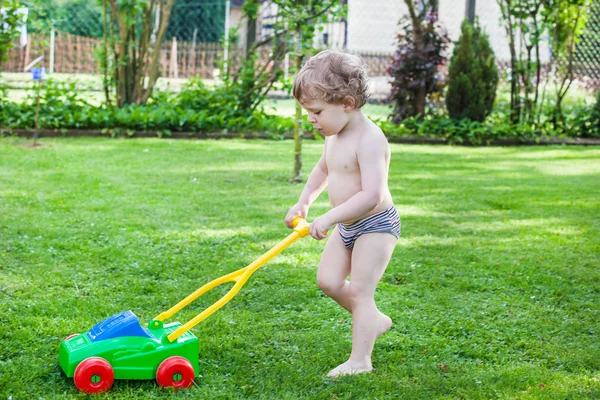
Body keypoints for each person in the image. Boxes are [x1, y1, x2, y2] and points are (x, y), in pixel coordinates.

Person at [284, 49, 400, 377]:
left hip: (375, 225)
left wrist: (331, 216)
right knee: (329, 281)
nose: (311, 119)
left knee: (362, 291)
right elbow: (323, 170)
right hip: (348, 224)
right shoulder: (333, 135)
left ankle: (360, 361)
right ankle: (373, 321)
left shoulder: (370, 139)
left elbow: (372, 195)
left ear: (347, 103)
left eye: (317, 111)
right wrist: (304, 202)